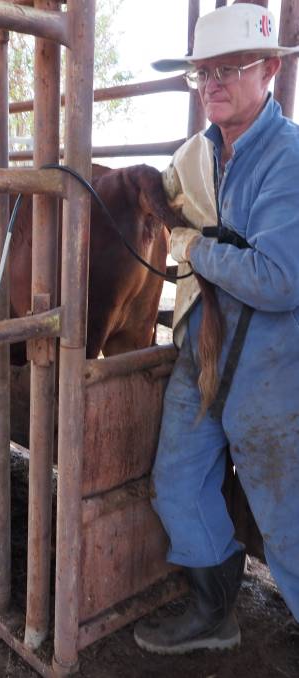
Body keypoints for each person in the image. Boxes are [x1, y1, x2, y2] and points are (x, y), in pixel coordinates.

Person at [134, 3, 299, 655]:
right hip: (201, 351)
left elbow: (280, 280)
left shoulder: (286, 162)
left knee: (284, 512)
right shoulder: (196, 157)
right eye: (202, 72)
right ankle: (212, 611)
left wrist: (197, 251)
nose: (211, 84)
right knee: (176, 479)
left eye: (228, 69)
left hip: (270, 367)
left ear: (266, 70)